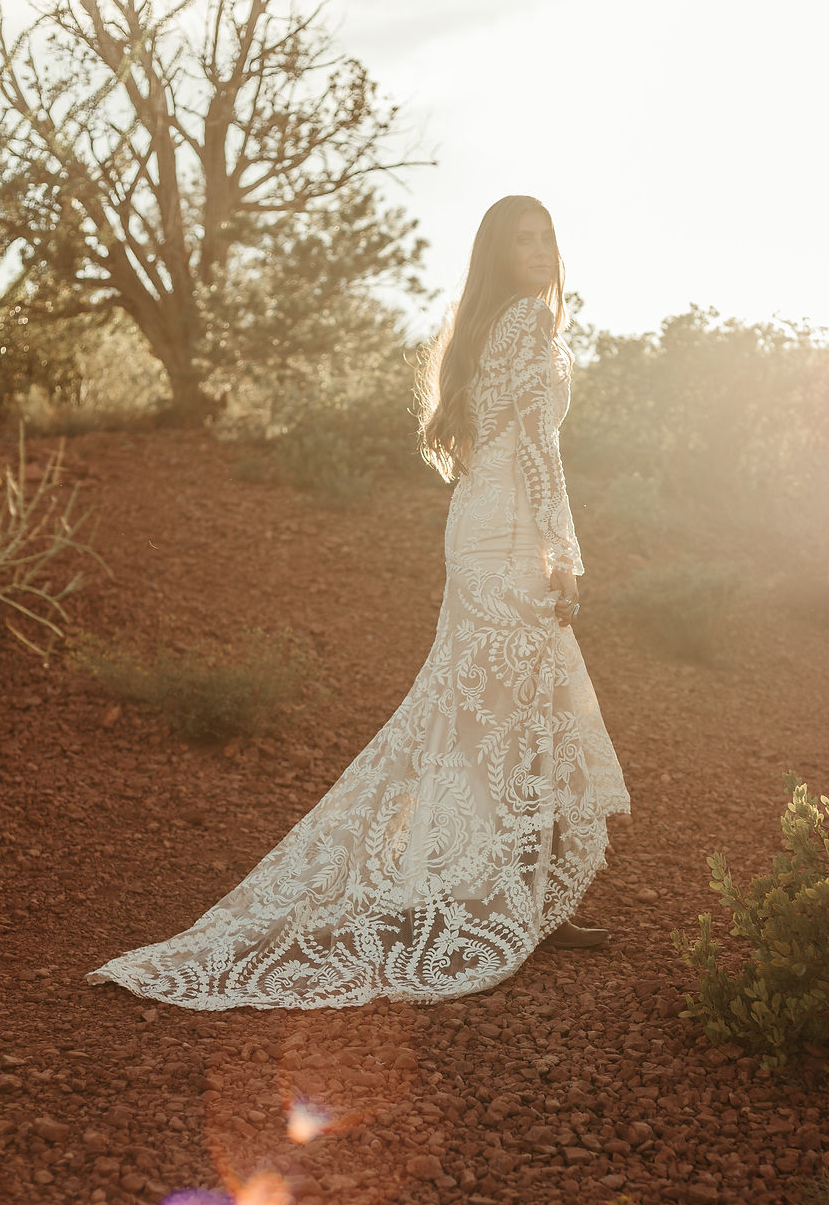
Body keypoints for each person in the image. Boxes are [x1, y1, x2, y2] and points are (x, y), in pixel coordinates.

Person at [87, 194, 630, 1011]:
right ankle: (490, 901)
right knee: (509, 716)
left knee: (516, 714)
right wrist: (566, 553)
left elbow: (496, 444)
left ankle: (521, 902)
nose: (541, 249)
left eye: (547, 235)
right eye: (523, 240)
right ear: (499, 253)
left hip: (481, 530)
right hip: (508, 540)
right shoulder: (524, 321)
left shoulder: (487, 323)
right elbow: (537, 448)